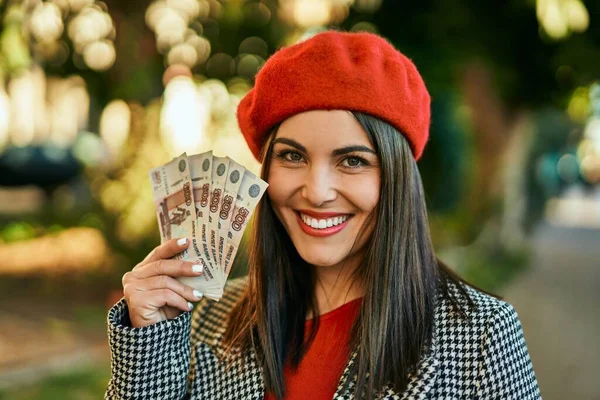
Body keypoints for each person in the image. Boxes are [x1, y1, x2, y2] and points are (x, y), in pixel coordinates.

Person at [105, 31, 541, 399]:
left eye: (352, 161)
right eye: (292, 156)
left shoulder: (481, 337)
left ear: (396, 180)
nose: (316, 191)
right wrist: (150, 343)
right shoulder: (210, 319)